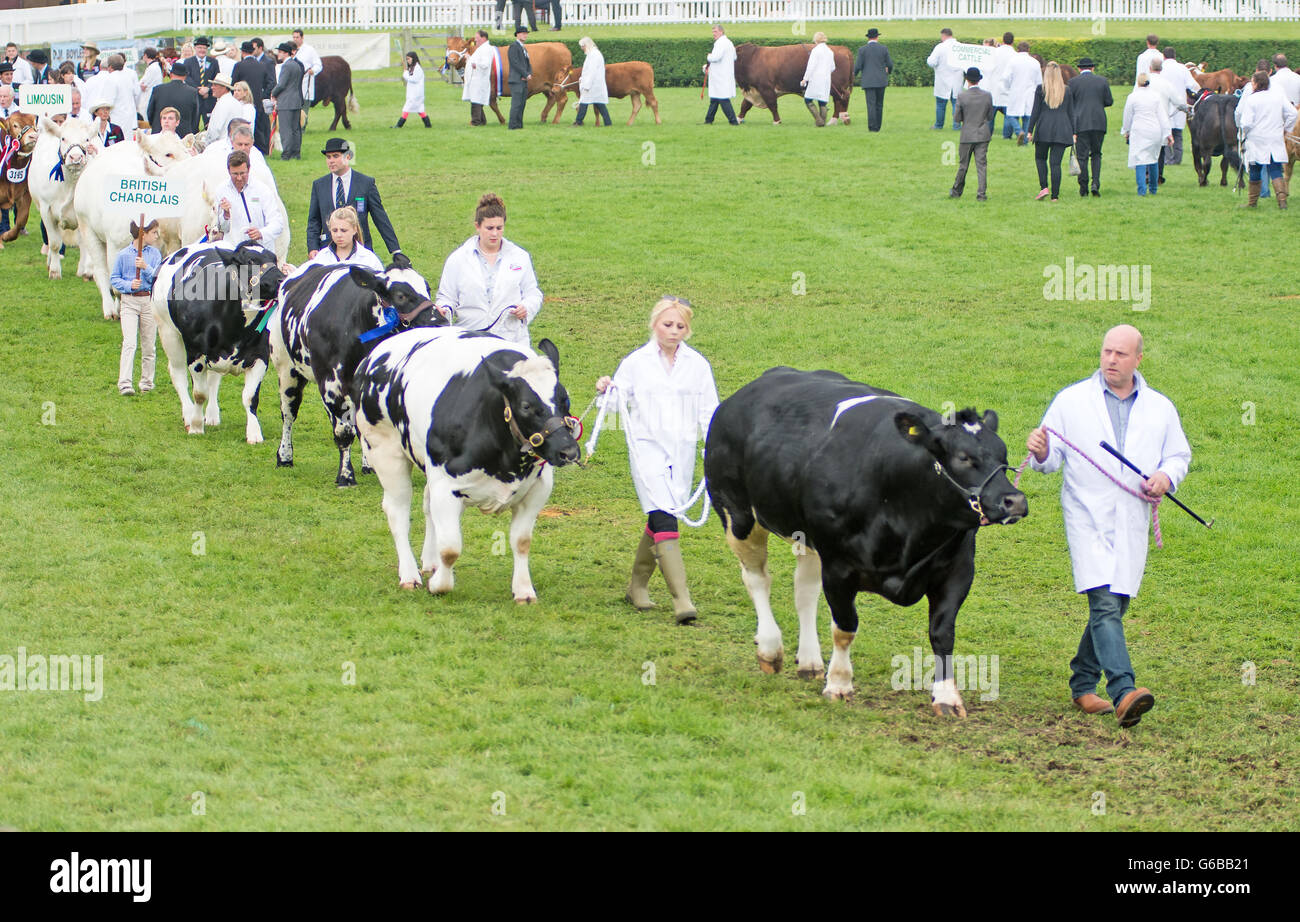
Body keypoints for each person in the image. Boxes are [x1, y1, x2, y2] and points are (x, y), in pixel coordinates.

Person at [1025, 325, 1190, 729]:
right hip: (1087, 516)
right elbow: (1049, 460)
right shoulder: (1071, 400)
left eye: (1120, 354)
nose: (1111, 360)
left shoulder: (1160, 408)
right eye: (1106, 352)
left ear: (1138, 359)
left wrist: (1166, 478)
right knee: (1103, 601)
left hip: (1132, 516)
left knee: (1116, 604)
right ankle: (1123, 690)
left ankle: (1082, 683)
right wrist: (1042, 452)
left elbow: (1179, 455)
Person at [595, 296, 719, 625]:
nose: (673, 331)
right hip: (646, 449)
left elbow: (709, 411)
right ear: (654, 324)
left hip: (682, 451)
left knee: (660, 515)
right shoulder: (636, 362)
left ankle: (637, 587)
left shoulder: (698, 365)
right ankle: (682, 600)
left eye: (680, 326)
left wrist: (715, 446)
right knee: (665, 516)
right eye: (667, 324)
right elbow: (610, 406)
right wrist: (606, 388)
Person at [434, 193, 542, 345]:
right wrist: (444, 309)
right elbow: (447, 296)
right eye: (489, 228)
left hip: (511, 340)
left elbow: (533, 292)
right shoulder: (457, 259)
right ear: (477, 226)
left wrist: (526, 307)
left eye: (499, 228)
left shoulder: (520, 256)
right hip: (470, 339)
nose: (495, 233)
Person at [306, 137, 405, 263]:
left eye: (335, 156)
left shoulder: (366, 184)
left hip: (360, 252)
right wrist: (313, 247)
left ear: (348, 157)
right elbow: (314, 221)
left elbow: (380, 218)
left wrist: (395, 250)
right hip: (328, 253)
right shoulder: (319, 185)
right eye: (328, 157)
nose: (331, 161)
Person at [110, 219, 163, 397]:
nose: (157, 235)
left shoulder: (155, 254)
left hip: (148, 301)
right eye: (154, 232)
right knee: (130, 343)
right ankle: (125, 383)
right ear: (143, 233)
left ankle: (147, 381)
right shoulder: (124, 255)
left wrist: (145, 267)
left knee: (149, 345)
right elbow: (114, 278)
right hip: (129, 302)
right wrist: (128, 285)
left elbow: (158, 276)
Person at [1237, 71, 1297, 208]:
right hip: (1274, 137)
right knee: (1275, 169)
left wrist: (1244, 134)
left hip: (1256, 139)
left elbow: (1246, 123)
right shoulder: (1278, 97)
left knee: (1255, 169)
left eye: (1252, 82)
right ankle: (1282, 202)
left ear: (1257, 83)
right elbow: (1292, 113)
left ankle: (1252, 203)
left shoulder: (1252, 99)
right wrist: (1286, 129)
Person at [213, 150, 284, 251]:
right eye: (235, 174)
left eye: (242, 173)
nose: (239, 178)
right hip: (234, 253)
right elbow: (222, 229)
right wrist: (226, 214)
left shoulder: (262, 190)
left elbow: (277, 223)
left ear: (249, 169)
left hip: (260, 252)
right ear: (228, 171)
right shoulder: (221, 191)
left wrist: (261, 233)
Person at [289, 206, 384, 279]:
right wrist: (293, 271)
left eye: (343, 230)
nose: (339, 235)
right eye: (334, 230)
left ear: (354, 229)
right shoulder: (322, 257)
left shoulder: (369, 259)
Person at [1027, 62, 1075, 201]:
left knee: (1040, 158)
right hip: (1062, 129)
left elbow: (1035, 111)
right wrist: (1074, 132)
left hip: (1044, 128)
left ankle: (1044, 187)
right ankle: (1055, 195)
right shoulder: (1066, 90)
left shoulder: (1041, 90)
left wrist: (1030, 130)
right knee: (1056, 163)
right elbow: (1071, 112)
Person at [1066, 58, 1113, 197]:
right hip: (1099, 121)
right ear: (1092, 68)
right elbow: (1108, 101)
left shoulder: (1073, 82)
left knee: (1082, 156)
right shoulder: (1102, 81)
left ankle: (1083, 186)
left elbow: (1070, 103)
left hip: (1080, 123)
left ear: (1080, 69)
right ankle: (1096, 182)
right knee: (1097, 154)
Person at [1122, 74, 1171, 196]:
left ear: (1138, 83)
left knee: (1140, 160)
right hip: (1155, 130)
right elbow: (1162, 116)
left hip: (1139, 130)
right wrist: (1167, 133)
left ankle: (1142, 190)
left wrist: (1126, 130)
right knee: (1153, 159)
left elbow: (1127, 116)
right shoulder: (1155, 97)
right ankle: (1153, 189)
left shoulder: (1133, 97)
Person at [950, 67, 992, 201]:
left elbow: (956, 118)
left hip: (967, 134)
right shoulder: (987, 95)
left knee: (963, 165)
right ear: (979, 80)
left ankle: (956, 190)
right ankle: (981, 193)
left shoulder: (962, 96)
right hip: (983, 134)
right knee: (981, 165)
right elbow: (990, 115)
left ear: (967, 80)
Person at [1146, 59, 1188, 185]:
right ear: (1161, 69)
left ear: (1150, 68)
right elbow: (1179, 102)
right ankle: (1158, 176)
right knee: (1161, 150)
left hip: (1145, 119)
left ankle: (1147, 173)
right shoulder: (1166, 84)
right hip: (1161, 120)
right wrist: (1186, 108)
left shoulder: (1143, 82)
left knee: (1147, 148)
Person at [1160, 48, 1199, 168]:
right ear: (1175, 56)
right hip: (1180, 104)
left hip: (1164, 103)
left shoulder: (1160, 67)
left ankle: (1167, 158)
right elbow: (1192, 85)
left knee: (1165, 132)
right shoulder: (1182, 68)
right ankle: (1177, 159)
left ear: (1164, 56)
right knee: (1177, 133)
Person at [232, 42, 270, 154]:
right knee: (259, 127)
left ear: (242, 52)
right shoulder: (262, 65)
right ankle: (262, 149)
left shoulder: (239, 65)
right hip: (258, 100)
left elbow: (234, 83)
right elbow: (268, 83)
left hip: (244, 99)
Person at [1001, 41, 1042, 145]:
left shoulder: (1013, 61)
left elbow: (1005, 77)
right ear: (1028, 50)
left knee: (1010, 115)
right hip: (1030, 93)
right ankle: (1024, 140)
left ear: (1018, 50)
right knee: (1027, 117)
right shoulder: (1035, 62)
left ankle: (1019, 131)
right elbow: (1039, 82)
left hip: (1016, 91)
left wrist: (1007, 88)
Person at [853, 28, 893, 132]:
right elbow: (890, 64)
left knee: (871, 105)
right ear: (877, 37)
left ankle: (872, 127)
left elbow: (858, 66)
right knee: (879, 104)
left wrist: (852, 77)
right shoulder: (884, 48)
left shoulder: (862, 50)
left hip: (868, 81)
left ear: (868, 37)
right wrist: (888, 72)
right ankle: (878, 126)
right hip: (881, 80)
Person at [147, 61, 200, 137]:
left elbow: (150, 112)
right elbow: (195, 117)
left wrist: (156, 125)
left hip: (160, 132)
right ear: (185, 76)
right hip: (183, 134)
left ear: (171, 75)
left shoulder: (158, 90)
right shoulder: (192, 92)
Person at [271, 42, 304, 160]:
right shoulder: (296, 64)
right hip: (296, 100)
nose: (278, 54)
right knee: (295, 129)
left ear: (285, 53)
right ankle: (296, 153)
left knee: (286, 129)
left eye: (280, 52)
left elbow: (281, 84)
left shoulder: (286, 66)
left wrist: (273, 93)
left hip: (286, 101)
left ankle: (286, 153)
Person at [926, 28, 962, 129]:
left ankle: (939, 125)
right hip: (957, 79)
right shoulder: (960, 47)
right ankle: (956, 125)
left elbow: (932, 62)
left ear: (943, 36)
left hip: (943, 78)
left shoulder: (940, 47)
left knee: (941, 104)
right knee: (956, 103)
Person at [703, 24, 738, 126]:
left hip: (720, 76)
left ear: (721, 32)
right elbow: (734, 57)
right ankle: (708, 120)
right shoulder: (729, 43)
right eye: (713, 32)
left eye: (715, 32)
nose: (713, 34)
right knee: (714, 99)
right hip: (723, 74)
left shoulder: (720, 43)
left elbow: (715, 57)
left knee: (723, 99)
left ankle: (733, 121)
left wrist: (709, 56)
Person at [574, 36, 610, 127]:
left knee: (584, 103)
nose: (582, 48)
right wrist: (582, 79)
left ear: (587, 45)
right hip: (593, 85)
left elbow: (591, 71)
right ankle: (608, 123)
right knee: (599, 104)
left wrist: (586, 85)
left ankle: (578, 122)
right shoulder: (592, 54)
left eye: (582, 46)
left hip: (593, 85)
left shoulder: (594, 55)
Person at [801, 32, 835, 127]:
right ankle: (822, 122)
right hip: (826, 79)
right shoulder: (830, 51)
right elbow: (833, 67)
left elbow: (810, 67)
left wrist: (805, 79)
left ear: (816, 40)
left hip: (815, 79)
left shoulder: (815, 51)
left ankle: (819, 120)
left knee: (808, 100)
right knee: (822, 101)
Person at [987, 32, 1016, 138]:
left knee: (990, 114)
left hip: (993, 86)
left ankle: (987, 134)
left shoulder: (994, 52)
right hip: (1008, 87)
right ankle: (1007, 136)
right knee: (1008, 114)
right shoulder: (1015, 55)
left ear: (1003, 40)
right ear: (1012, 42)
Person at [292, 29, 323, 128]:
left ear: (302, 38)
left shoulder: (309, 50)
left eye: (297, 37)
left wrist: (313, 70)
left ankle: (302, 127)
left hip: (305, 83)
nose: (295, 39)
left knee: (304, 108)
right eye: (294, 37)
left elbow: (318, 64)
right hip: (293, 85)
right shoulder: (291, 50)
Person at [186, 36, 220, 126]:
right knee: (193, 124)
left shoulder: (213, 62)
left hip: (209, 98)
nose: (202, 50)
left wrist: (207, 88)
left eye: (204, 48)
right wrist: (199, 90)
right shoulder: (188, 62)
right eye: (199, 48)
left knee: (209, 124)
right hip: (194, 97)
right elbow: (187, 78)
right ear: (195, 48)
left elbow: (216, 77)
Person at [462, 30, 493, 127]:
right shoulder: (481, 48)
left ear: (483, 38)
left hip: (479, 79)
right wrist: (470, 59)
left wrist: (475, 64)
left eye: (477, 38)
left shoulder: (486, 49)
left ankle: (476, 122)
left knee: (476, 101)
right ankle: (482, 120)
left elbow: (485, 64)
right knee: (476, 100)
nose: (475, 40)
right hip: (476, 79)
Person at [205, 74, 242, 143]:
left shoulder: (223, 103)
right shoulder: (235, 102)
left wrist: (207, 144)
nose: (212, 87)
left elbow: (215, 129)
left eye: (215, 85)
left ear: (224, 88)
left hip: (220, 145)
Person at [397, 51, 430, 128]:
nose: (407, 61)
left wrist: (405, 74)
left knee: (406, 108)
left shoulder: (417, 68)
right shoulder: (412, 68)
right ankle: (428, 125)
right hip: (414, 93)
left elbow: (414, 79)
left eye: (409, 59)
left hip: (416, 94)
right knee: (420, 110)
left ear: (413, 59)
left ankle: (399, 125)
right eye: (406, 59)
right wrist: (406, 72)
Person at [507, 29, 531, 130]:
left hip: (523, 79)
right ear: (517, 35)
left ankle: (519, 125)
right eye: (523, 34)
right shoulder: (514, 47)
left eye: (526, 34)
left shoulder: (524, 48)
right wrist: (525, 74)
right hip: (516, 79)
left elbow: (527, 63)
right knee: (516, 104)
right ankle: (512, 125)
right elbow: (515, 63)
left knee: (522, 104)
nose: (525, 35)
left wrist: (529, 73)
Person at [139, 48, 165, 123]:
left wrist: (141, 85)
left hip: (149, 95)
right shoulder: (154, 67)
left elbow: (143, 84)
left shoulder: (153, 68)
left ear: (145, 56)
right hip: (151, 94)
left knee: (146, 116)